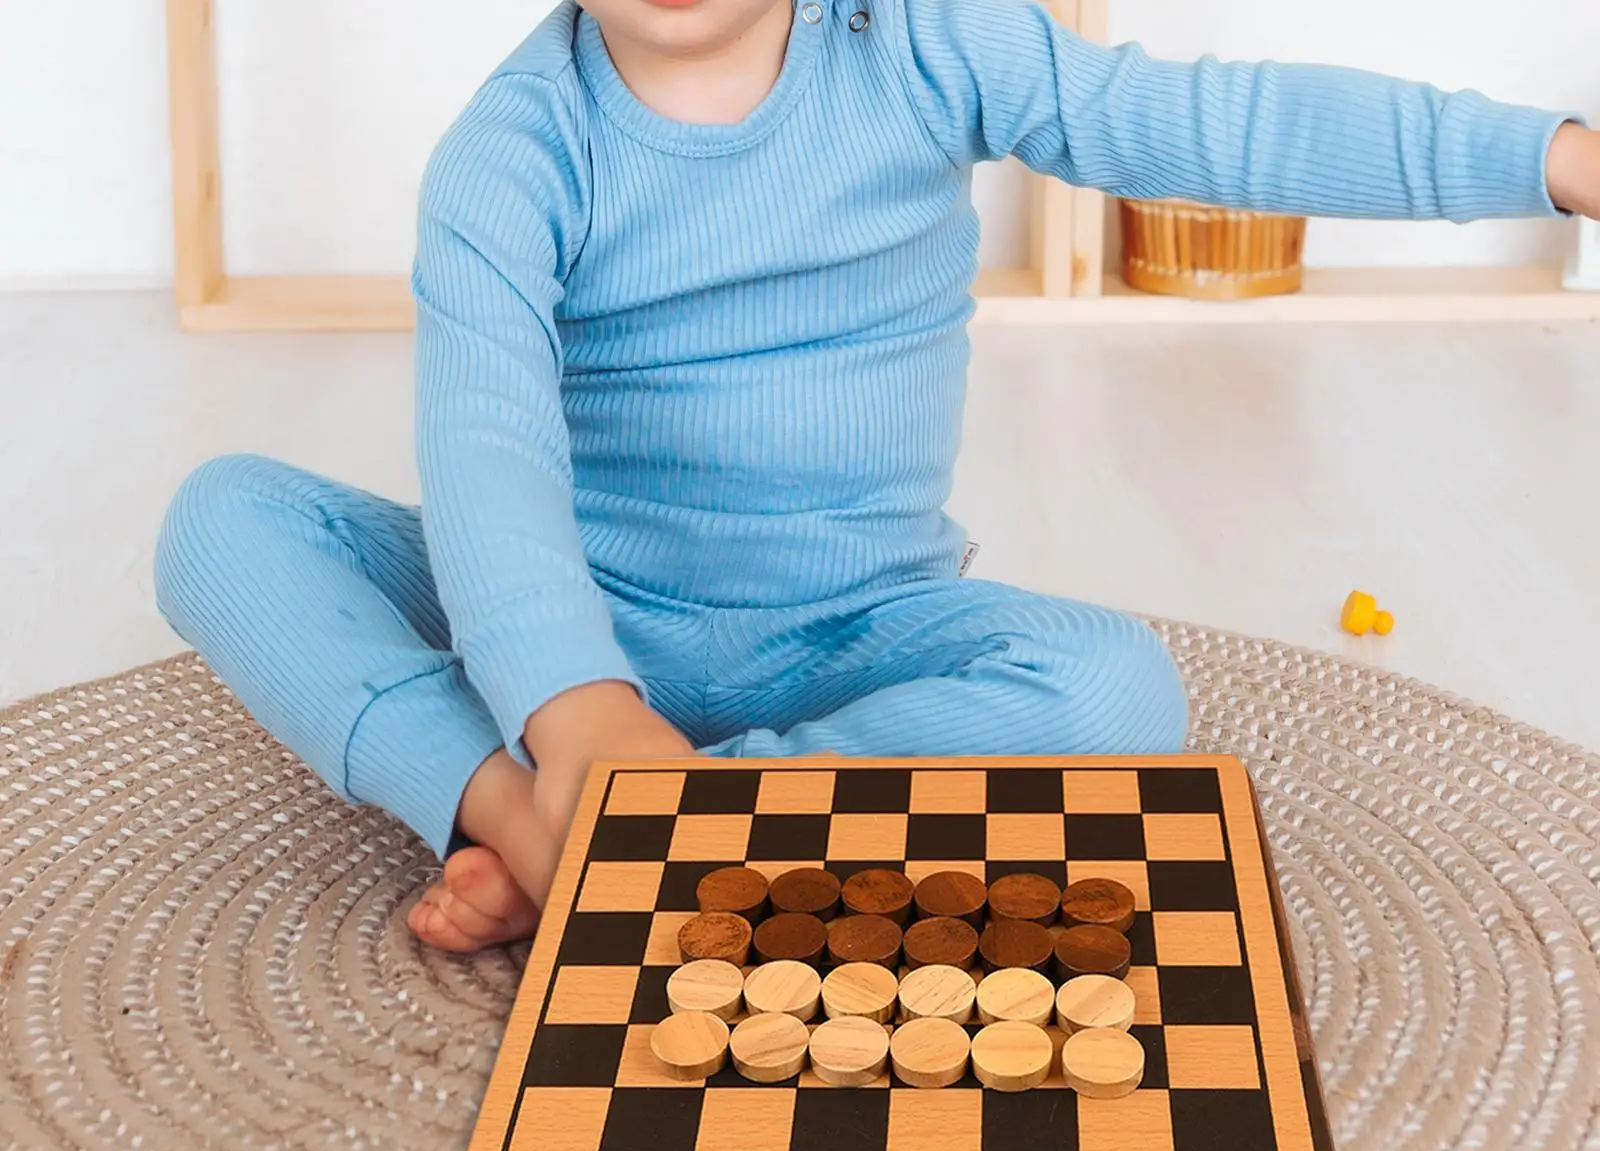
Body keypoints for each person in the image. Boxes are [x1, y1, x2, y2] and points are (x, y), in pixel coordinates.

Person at [154, 0, 1600, 953]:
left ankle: (672, 826)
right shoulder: (510, 152)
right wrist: (575, 718)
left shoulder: (930, 44)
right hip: (575, 627)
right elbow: (485, 453)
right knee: (225, 525)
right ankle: (529, 815)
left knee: (1112, 690)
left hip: (858, 636)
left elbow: (1230, 123)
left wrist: (1558, 159)